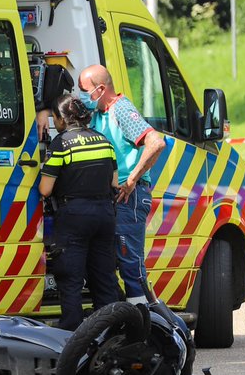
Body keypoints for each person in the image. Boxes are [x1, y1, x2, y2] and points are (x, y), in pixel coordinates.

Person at [77, 64, 166, 305]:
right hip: (110, 199)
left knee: (130, 266)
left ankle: (144, 324)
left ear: (101, 89)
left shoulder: (121, 110)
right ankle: (123, 319)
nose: (81, 96)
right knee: (103, 264)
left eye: (84, 90)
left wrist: (131, 180)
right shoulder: (98, 114)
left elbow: (156, 143)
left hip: (128, 196)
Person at [40, 93, 124, 331]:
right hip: (105, 215)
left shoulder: (61, 143)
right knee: (105, 277)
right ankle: (108, 331)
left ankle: (71, 333)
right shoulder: (104, 141)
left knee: (71, 277)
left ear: (62, 119)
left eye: (55, 117)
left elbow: (45, 190)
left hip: (74, 215)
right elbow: (114, 182)